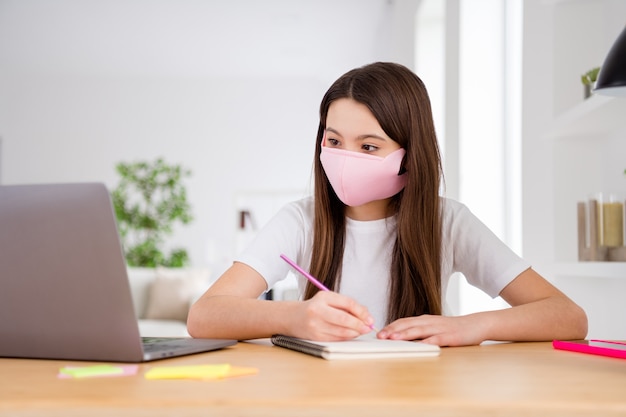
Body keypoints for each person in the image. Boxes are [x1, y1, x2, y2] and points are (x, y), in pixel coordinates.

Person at [187, 62, 587, 346]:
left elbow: (568, 316)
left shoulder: (448, 221)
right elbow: (204, 316)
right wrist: (294, 317)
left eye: (368, 146)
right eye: (334, 140)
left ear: (410, 154)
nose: (345, 157)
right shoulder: (299, 221)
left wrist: (472, 327)